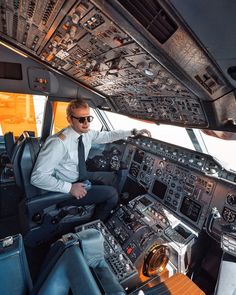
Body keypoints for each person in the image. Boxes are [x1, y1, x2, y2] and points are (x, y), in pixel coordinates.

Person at [31, 98, 151, 221]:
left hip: (79, 176)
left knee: (112, 177)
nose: (86, 123)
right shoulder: (58, 143)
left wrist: (131, 132)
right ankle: (96, 225)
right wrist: (70, 188)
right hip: (65, 190)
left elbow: (107, 136)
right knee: (111, 194)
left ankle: (110, 207)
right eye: (81, 119)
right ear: (69, 119)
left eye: (89, 118)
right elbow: (38, 177)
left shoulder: (86, 134)